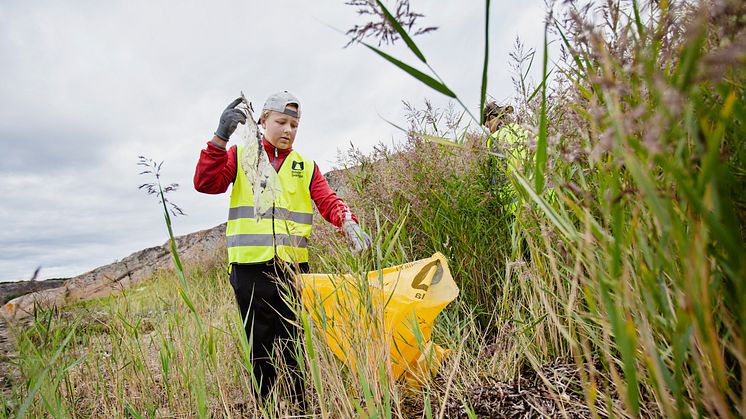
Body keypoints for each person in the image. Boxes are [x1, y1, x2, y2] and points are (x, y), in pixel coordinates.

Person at [194, 91, 372, 398]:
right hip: (249, 271)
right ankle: (268, 407)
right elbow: (206, 183)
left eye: (294, 124)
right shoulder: (240, 155)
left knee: (294, 345)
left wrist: (348, 222)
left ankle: (299, 406)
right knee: (259, 347)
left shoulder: (305, 166)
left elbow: (327, 200)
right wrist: (220, 138)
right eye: (281, 122)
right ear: (263, 121)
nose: (288, 130)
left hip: (293, 272)